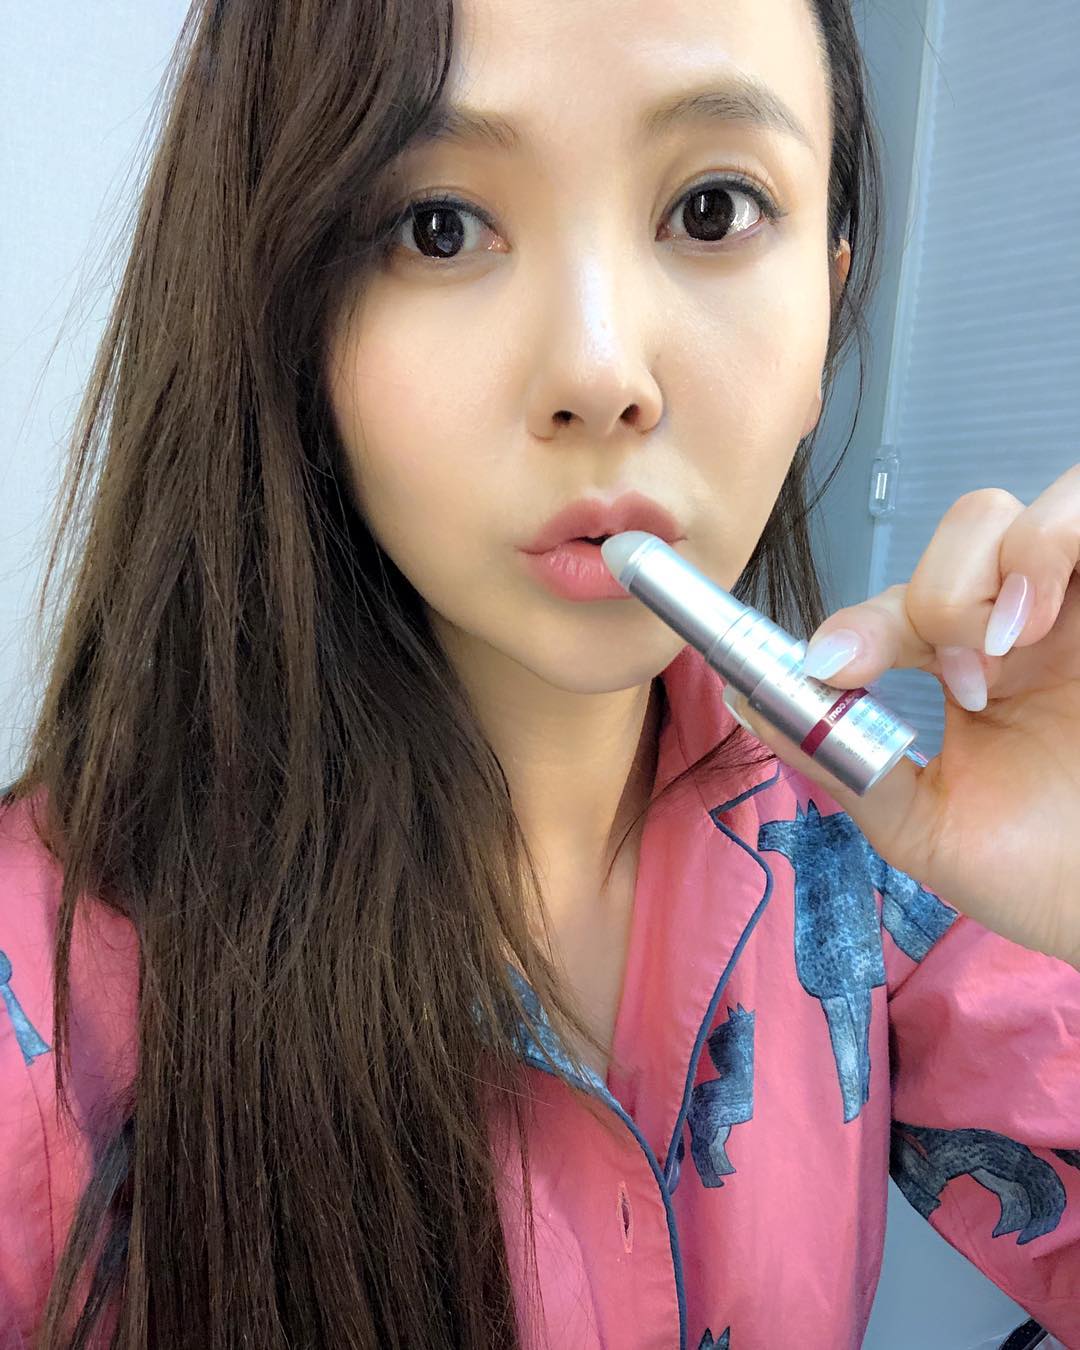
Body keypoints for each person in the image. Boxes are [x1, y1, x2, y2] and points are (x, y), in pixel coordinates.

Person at [1, 0, 1077, 1346]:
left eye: (713, 210)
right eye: (437, 226)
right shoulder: (44, 985)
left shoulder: (877, 851)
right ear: (288, 320)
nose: (599, 372)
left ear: (830, 307)